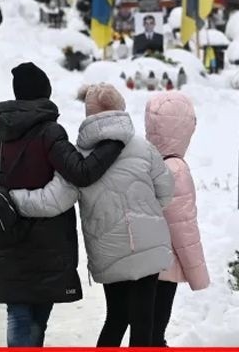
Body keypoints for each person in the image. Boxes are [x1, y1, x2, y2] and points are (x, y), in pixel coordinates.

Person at [13, 84, 173, 347]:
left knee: (117, 316)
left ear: (88, 114)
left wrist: (12, 198)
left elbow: (53, 201)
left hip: (109, 251)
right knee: (144, 319)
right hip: (149, 246)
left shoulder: (78, 159)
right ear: (120, 108)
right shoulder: (144, 148)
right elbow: (166, 191)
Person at [0, 65, 127, 347]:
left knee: (18, 310)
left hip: (11, 234)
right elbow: (81, 172)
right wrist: (112, 143)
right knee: (36, 314)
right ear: (45, 93)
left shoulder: (3, 135)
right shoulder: (49, 132)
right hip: (46, 239)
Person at [143, 91, 210, 347]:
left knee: (143, 328)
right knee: (155, 332)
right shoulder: (177, 169)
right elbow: (183, 225)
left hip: (140, 260)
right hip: (164, 263)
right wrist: (198, 273)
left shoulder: (143, 161)